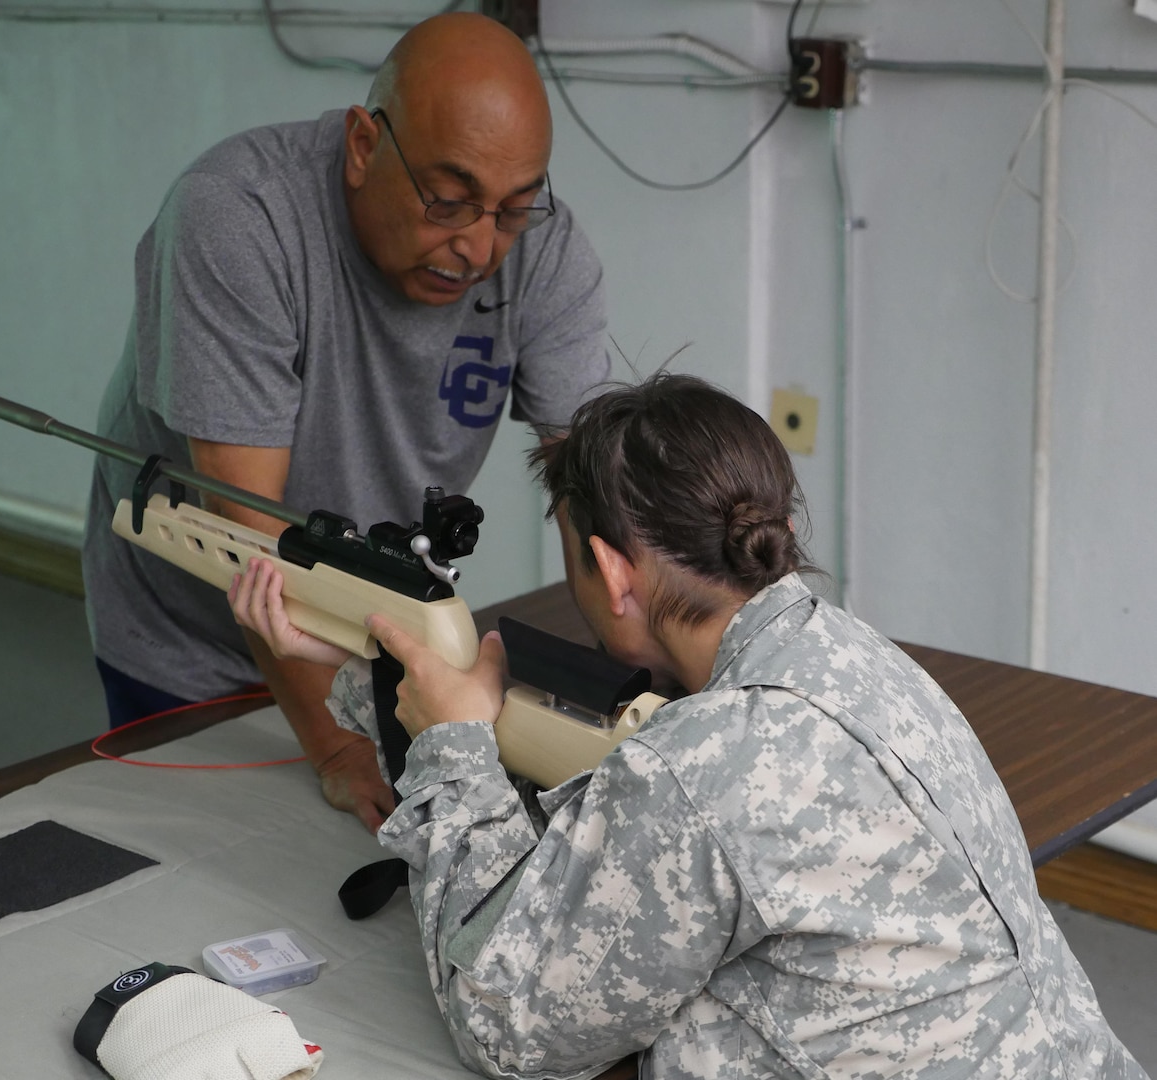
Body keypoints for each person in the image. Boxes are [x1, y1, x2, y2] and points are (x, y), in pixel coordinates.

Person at [232, 371, 1148, 1080]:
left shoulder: (700, 767)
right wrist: (370, 673)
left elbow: (505, 1023)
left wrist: (452, 749)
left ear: (611, 570)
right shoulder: (857, 656)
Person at [81, 10, 609, 834]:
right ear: (364, 146)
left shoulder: (542, 246)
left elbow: (592, 488)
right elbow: (247, 539)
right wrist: (335, 747)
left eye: (511, 210)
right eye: (448, 201)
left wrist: (638, 674)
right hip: (194, 634)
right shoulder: (239, 217)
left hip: (373, 631)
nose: (479, 248)